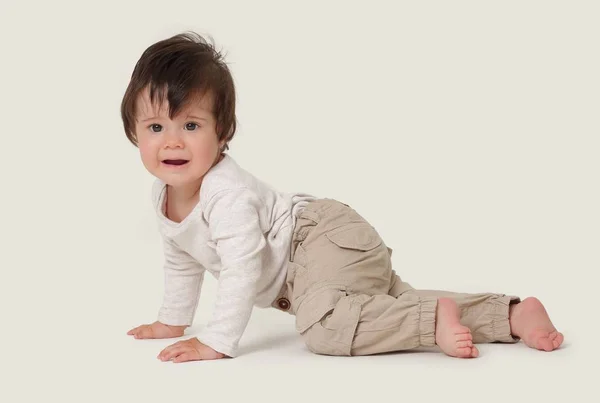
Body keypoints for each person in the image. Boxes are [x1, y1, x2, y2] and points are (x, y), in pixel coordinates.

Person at [123, 32, 564, 362]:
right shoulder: (166, 197)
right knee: (388, 308)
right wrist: (172, 321)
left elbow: (241, 267)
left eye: (192, 126)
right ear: (134, 132)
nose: (173, 142)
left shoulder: (225, 193)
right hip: (327, 255)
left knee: (324, 329)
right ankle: (510, 315)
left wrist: (215, 341)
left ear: (223, 134)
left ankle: (431, 322)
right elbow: (182, 259)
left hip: (318, 241)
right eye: (156, 127)